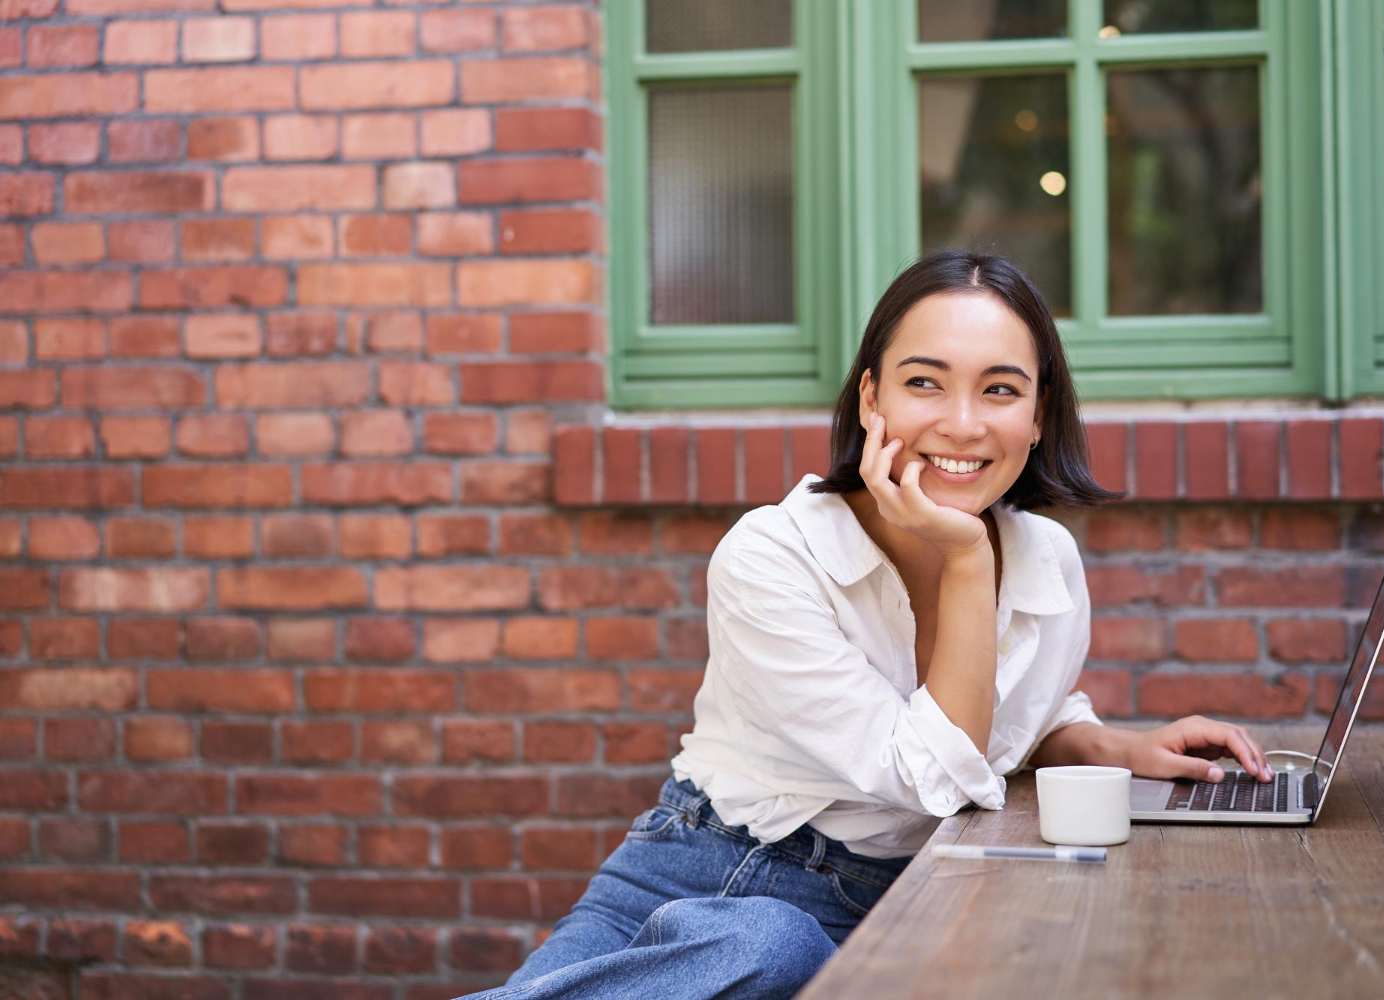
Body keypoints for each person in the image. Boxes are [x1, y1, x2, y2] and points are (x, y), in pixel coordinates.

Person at [453, 249, 1275, 1000]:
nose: (963, 422)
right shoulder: (774, 554)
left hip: (906, 895)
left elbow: (1008, 721)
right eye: (925, 383)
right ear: (870, 396)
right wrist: (964, 562)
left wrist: (1116, 748)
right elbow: (935, 777)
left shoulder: (1046, 557)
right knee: (773, 945)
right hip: (717, 877)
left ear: (1038, 411)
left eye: (1000, 388)